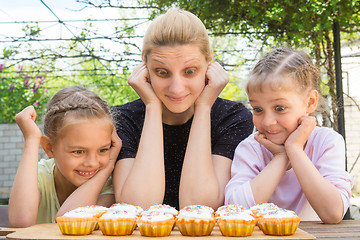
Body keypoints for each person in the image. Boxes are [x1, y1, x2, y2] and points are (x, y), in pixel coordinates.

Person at [111, 8, 253, 210]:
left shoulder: (232, 117)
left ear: (209, 61)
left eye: (189, 71)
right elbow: (137, 207)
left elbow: (200, 207)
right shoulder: (123, 119)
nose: (176, 88)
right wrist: (152, 108)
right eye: (162, 72)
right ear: (146, 67)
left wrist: (204, 108)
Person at [225, 47, 353, 223]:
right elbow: (236, 210)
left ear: (310, 102)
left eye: (279, 108)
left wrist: (294, 149)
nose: (268, 121)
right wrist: (281, 157)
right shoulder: (250, 148)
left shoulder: (327, 142)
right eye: (258, 109)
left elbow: (332, 213)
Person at [8, 86, 122, 227]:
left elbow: (69, 220)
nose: (92, 163)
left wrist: (108, 166)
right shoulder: (39, 176)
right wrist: (32, 140)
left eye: (103, 150)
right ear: (49, 147)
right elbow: (21, 220)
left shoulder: (110, 185)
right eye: (78, 152)